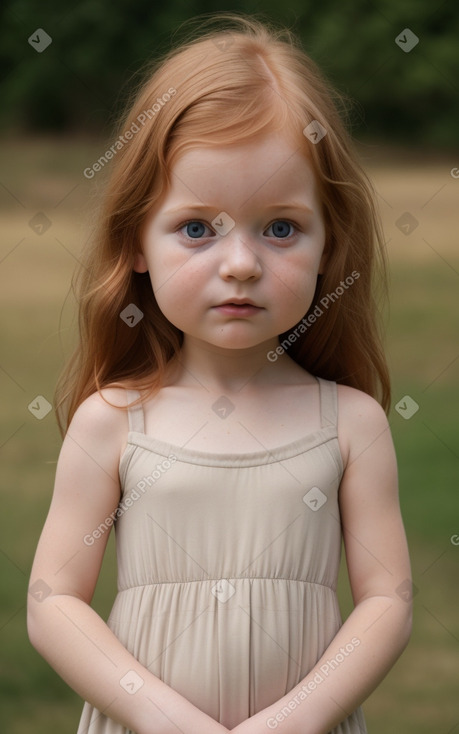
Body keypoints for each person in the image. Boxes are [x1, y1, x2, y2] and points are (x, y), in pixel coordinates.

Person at [27, 12, 412, 734]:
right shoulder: (114, 420)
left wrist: (298, 721)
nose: (240, 263)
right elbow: (52, 600)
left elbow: (387, 599)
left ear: (330, 244)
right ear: (136, 241)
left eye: (280, 227)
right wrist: (162, 718)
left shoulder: (349, 424)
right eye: (197, 228)